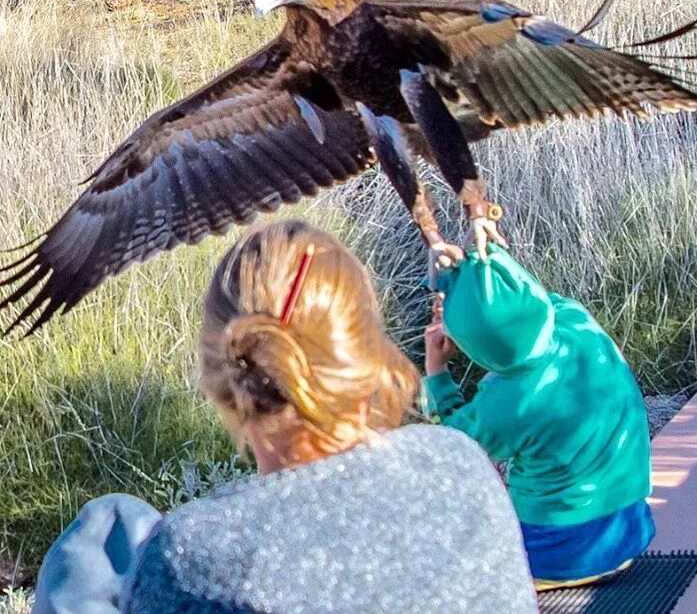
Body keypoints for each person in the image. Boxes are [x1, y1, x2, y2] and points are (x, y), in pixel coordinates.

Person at [33, 220, 538, 614]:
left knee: (102, 538)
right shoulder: (460, 468)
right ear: (369, 355)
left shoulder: (192, 555)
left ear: (218, 380)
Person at [422, 242, 655, 591]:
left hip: (558, 554)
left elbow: (449, 449)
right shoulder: (575, 319)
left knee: (439, 552)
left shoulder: (509, 404)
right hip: (629, 531)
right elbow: (520, 300)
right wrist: (471, 275)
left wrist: (436, 372)